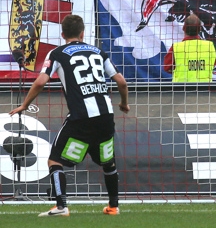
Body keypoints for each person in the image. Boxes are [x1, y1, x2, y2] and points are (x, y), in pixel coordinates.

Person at [9, 15, 129, 217]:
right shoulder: (98, 52)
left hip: (81, 116)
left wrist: (24, 105)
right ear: (82, 33)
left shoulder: (57, 53)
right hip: (106, 115)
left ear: (63, 34)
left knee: (55, 160)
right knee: (108, 162)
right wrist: (124, 103)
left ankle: (61, 206)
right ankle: (113, 207)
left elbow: (40, 82)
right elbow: (121, 81)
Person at [163, 14, 216, 82]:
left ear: (183, 28)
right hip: (204, 89)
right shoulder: (210, 46)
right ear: (200, 29)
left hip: (181, 89)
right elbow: (212, 64)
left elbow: (167, 68)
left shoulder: (176, 47)